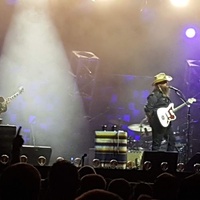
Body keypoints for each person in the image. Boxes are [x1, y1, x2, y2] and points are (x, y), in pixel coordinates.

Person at [144, 72, 176, 151]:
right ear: (159, 85)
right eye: (164, 82)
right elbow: (148, 109)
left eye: (166, 82)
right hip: (158, 123)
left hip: (166, 123)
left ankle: (168, 161)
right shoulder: (154, 95)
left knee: (172, 141)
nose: (167, 84)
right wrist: (153, 120)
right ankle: (154, 162)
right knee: (157, 143)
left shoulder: (165, 96)